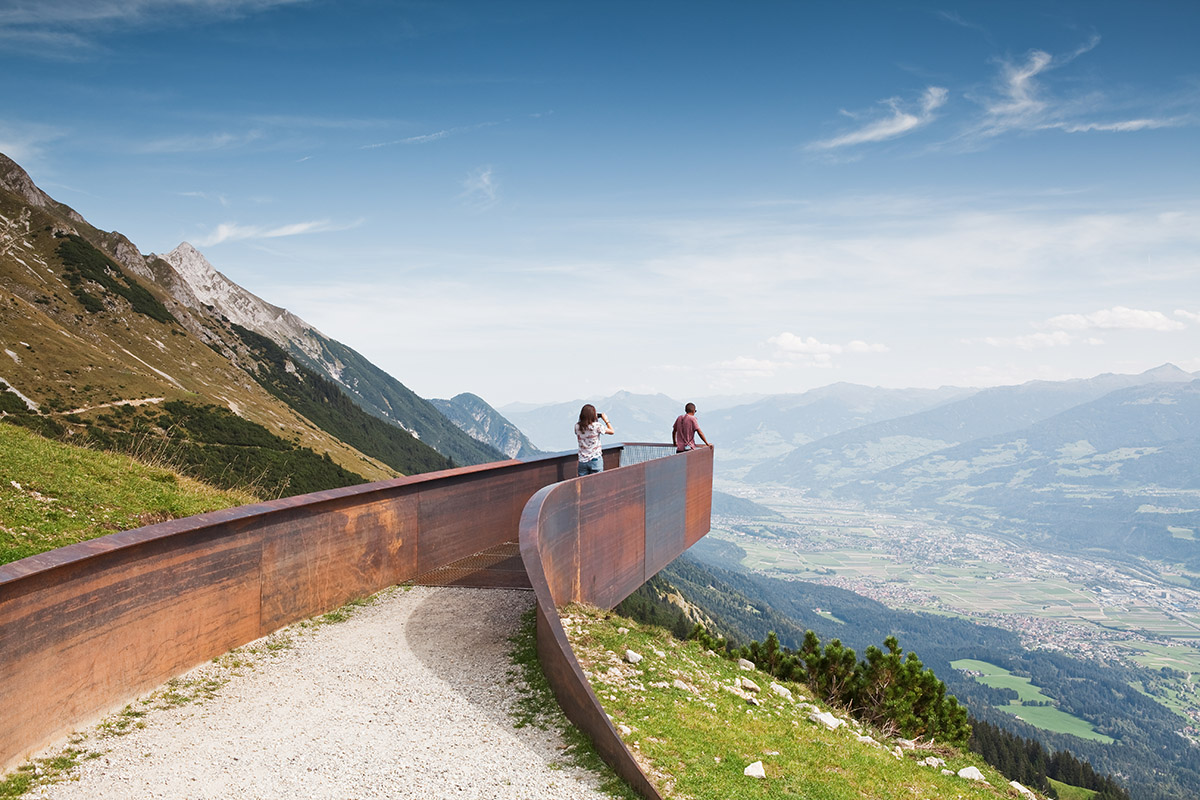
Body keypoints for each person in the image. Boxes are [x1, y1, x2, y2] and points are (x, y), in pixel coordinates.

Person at [575, 403, 614, 476]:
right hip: (595, 459)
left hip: (582, 461)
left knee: (583, 484)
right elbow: (612, 431)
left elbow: (583, 428)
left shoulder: (577, 426)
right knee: (596, 483)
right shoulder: (597, 426)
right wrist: (606, 420)